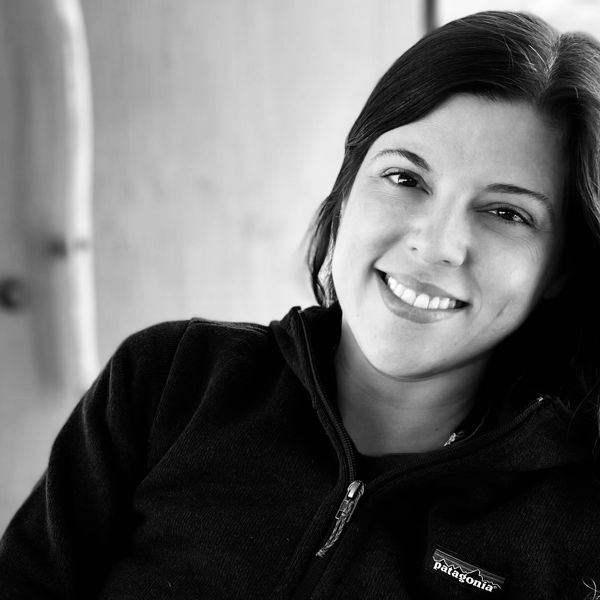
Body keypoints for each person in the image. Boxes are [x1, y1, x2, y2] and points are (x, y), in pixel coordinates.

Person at [2, 9, 600, 600]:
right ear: (347, 187)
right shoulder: (169, 381)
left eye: (506, 213)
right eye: (405, 179)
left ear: (562, 267)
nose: (437, 244)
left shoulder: (581, 525)